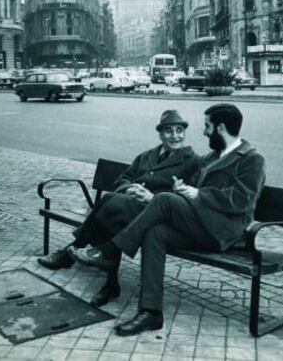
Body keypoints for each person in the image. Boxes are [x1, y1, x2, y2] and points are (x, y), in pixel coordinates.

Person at [69, 103, 266, 336]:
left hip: (223, 232)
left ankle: (110, 250)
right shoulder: (213, 156)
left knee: (162, 200)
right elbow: (195, 187)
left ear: (220, 128)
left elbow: (243, 200)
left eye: (207, 126)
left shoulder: (251, 158)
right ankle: (151, 312)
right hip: (200, 223)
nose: (204, 132)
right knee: (155, 233)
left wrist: (198, 194)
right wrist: (183, 188)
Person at [38, 109, 199, 307]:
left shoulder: (192, 161)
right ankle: (109, 283)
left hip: (157, 217)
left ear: (184, 132)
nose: (175, 136)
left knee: (109, 204)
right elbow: (123, 178)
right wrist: (130, 189)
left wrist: (152, 197)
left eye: (179, 130)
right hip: (130, 210)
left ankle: (74, 252)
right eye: (169, 131)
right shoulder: (147, 155)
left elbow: (189, 199)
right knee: (113, 214)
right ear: (160, 133)